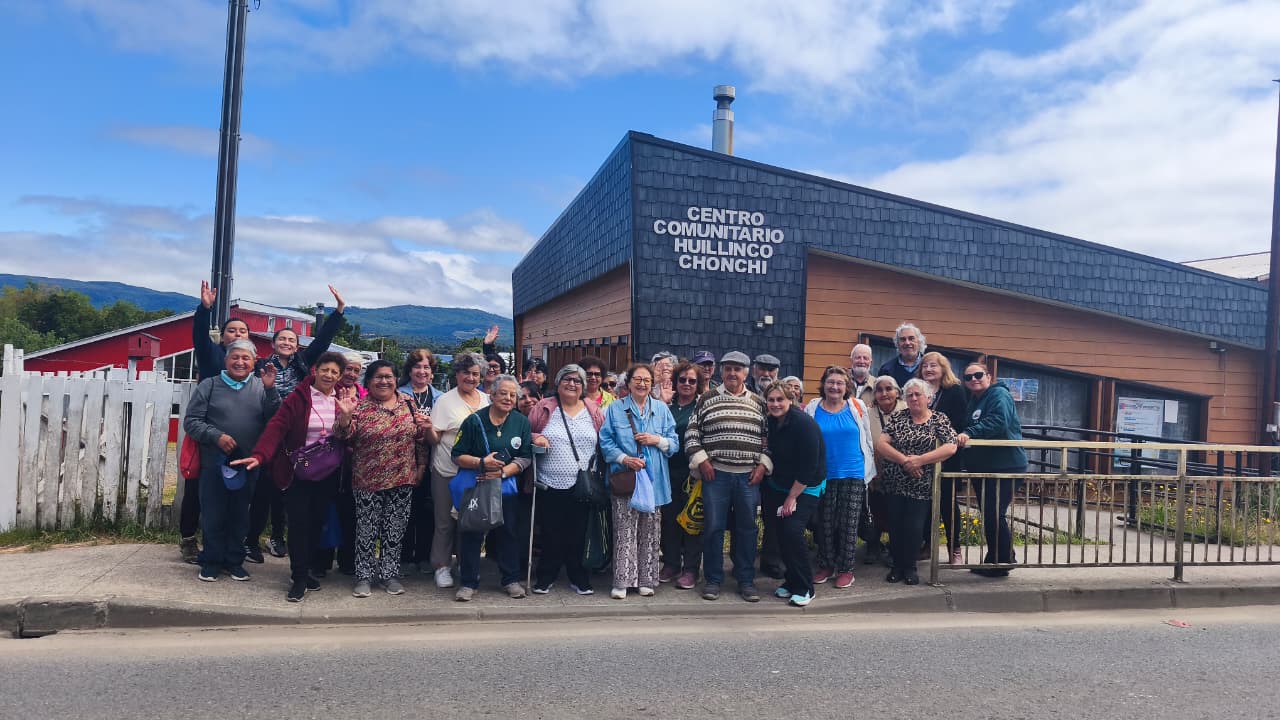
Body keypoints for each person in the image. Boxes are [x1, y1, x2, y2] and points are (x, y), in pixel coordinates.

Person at [234, 352, 348, 602]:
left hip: (328, 473)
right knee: (298, 524)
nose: (329, 375)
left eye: (334, 372)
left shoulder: (343, 399)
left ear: (340, 377)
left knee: (317, 523)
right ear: (315, 370)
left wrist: (347, 416)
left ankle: (306, 570)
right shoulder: (299, 397)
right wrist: (260, 455)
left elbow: (349, 436)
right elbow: (277, 426)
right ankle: (298, 577)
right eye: (325, 369)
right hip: (299, 471)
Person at [245, 285, 347, 563]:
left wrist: (338, 312)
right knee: (263, 490)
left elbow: (322, 342)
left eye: (292, 340)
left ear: (297, 346)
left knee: (285, 488)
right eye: (282, 339)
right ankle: (251, 541)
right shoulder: (261, 365)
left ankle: (278, 537)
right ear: (273, 343)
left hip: (296, 435)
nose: (287, 343)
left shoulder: (303, 363)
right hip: (268, 430)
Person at [183, 340, 279, 582]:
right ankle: (211, 561)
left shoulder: (261, 386)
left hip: (248, 463)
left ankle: (234, 561)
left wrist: (271, 390)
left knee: (240, 515)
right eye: (235, 357)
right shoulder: (210, 385)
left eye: (246, 358)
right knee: (213, 514)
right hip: (214, 462)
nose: (240, 362)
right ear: (226, 360)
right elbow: (191, 421)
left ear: (254, 362)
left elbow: (275, 420)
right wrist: (216, 436)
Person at [335, 360, 430, 598]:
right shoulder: (360, 405)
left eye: (389, 376)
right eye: (378, 377)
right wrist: (345, 417)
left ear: (396, 380)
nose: (384, 381)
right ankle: (364, 576)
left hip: (403, 477)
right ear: (368, 381)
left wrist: (421, 465)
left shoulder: (409, 403)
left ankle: (390, 574)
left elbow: (419, 437)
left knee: (395, 529)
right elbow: (343, 436)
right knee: (366, 530)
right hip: (368, 479)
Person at [685, 351, 772, 603]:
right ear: (721, 371)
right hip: (716, 476)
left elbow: (770, 438)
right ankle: (713, 579)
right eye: (728, 368)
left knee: (747, 529)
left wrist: (763, 465)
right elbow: (692, 433)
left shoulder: (759, 402)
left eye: (737, 369)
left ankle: (746, 580)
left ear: (746, 373)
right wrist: (702, 460)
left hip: (748, 478)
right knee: (713, 528)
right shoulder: (707, 399)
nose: (732, 373)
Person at [180, 281, 253, 564]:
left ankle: (226, 546)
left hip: (238, 442)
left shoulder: (251, 363)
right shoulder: (211, 354)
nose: (237, 334)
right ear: (222, 337)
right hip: (207, 434)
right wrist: (204, 309)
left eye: (242, 331)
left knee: (231, 495)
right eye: (231, 330)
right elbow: (199, 335)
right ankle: (188, 538)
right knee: (196, 489)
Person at [599, 363, 678, 600]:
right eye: (638, 379)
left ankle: (646, 579)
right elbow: (605, 441)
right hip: (626, 477)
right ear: (629, 382)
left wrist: (656, 440)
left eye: (647, 380)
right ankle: (622, 580)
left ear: (652, 384)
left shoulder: (661, 409)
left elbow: (674, 443)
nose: (642, 384)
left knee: (650, 532)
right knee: (624, 530)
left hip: (654, 480)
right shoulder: (615, 408)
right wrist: (625, 459)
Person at [450, 374, 533, 601]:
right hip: (477, 485)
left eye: (513, 395)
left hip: (505, 487)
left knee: (508, 533)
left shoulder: (521, 422)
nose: (508, 398)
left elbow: (525, 457)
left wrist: (503, 472)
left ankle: (510, 580)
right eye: (503, 393)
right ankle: (468, 583)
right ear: (492, 395)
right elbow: (456, 455)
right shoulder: (474, 421)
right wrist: (481, 463)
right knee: (472, 533)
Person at [526, 364, 605, 595]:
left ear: (583, 386)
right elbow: (525, 432)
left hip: (583, 482)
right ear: (558, 383)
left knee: (579, 532)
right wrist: (536, 437)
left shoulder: (593, 410)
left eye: (577, 380)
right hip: (549, 481)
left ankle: (578, 576)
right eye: (567, 379)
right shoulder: (544, 407)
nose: (572, 384)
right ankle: (546, 575)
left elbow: (603, 439)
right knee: (551, 532)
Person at [875, 378, 958, 585]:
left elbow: (951, 446)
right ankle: (896, 566)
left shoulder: (939, 419)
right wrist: (906, 461)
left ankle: (910, 567)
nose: (913, 398)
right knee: (895, 525)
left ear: (928, 398)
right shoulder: (898, 417)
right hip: (895, 481)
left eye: (917, 394)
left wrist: (920, 460)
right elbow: (881, 444)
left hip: (922, 484)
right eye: (909, 395)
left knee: (914, 527)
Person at [803, 366, 876, 589]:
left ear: (847, 387)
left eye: (839, 383)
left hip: (853, 473)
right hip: (824, 474)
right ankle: (826, 565)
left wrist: (870, 469)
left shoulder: (857, 406)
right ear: (823, 384)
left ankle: (846, 569)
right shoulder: (813, 408)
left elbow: (867, 438)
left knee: (848, 524)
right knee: (824, 523)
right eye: (830, 382)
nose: (834, 387)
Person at [955, 359, 1029, 577]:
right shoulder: (974, 400)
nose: (974, 379)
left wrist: (970, 433)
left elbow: (998, 421)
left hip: (1005, 465)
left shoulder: (999, 395)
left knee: (994, 513)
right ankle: (998, 557)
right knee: (990, 513)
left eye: (978, 375)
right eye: (968, 377)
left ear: (988, 377)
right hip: (984, 466)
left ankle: (1001, 562)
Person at [423, 352, 490, 589]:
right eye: (465, 373)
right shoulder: (445, 401)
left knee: (470, 521)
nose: (470, 378)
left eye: (475, 374)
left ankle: (466, 563)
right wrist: (428, 428)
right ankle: (441, 566)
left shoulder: (487, 400)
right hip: (447, 471)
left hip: (476, 471)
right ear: (457, 374)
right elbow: (434, 439)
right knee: (444, 522)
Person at [761, 381, 826, 607]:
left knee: (792, 530)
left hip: (806, 486)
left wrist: (792, 497)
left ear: (791, 400)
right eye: (771, 400)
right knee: (780, 533)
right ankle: (791, 581)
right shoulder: (771, 421)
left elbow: (809, 466)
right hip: (779, 484)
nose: (775, 404)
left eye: (780, 399)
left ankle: (806, 587)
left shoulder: (803, 424)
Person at [918, 351, 968, 565]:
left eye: (933, 365)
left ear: (943, 368)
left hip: (947, 456)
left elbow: (959, 421)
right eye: (925, 366)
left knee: (948, 504)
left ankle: (954, 549)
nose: (928, 369)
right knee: (925, 504)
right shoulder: (918, 390)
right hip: (923, 456)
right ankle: (927, 545)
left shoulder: (955, 391)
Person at [398, 349, 444, 573]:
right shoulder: (398, 394)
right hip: (403, 459)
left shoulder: (441, 397)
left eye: (426, 367)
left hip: (433, 459)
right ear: (410, 370)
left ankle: (424, 556)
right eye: (417, 366)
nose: (422, 371)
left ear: (432, 372)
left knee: (428, 509)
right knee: (405, 509)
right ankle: (404, 556)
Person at [661, 361, 705, 589]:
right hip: (667, 471)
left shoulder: (702, 407)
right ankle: (671, 563)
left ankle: (691, 569)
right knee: (669, 520)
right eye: (682, 379)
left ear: (698, 384)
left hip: (692, 472)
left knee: (691, 520)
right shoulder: (666, 406)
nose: (687, 384)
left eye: (692, 381)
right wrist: (663, 402)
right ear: (675, 381)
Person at [864, 375, 905, 566]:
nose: (884, 393)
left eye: (889, 389)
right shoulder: (867, 413)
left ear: (897, 392)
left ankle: (894, 548)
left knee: (897, 513)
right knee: (875, 510)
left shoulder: (906, 410)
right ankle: (873, 545)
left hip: (901, 472)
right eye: (879, 390)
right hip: (876, 471)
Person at [878, 322, 926, 388]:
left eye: (911, 338)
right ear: (897, 344)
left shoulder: (929, 367)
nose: (907, 343)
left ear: (919, 341)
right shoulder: (886, 369)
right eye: (903, 339)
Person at [849, 343, 876, 409]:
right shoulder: (842, 382)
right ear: (851, 360)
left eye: (865, 358)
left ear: (871, 362)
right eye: (858, 358)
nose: (861, 361)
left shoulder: (877, 385)